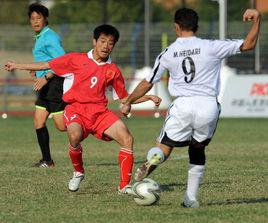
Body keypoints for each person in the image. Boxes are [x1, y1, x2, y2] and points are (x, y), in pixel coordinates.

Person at [121, 8, 261, 207]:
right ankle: (191, 198)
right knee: (197, 149)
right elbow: (249, 44)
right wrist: (257, 19)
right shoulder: (211, 46)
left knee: (164, 146)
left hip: (183, 104)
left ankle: (153, 159)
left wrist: (128, 101)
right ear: (197, 26)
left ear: (176, 27)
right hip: (208, 105)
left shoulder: (168, 53)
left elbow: (148, 82)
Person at [5, 24, 162, 194]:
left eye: (110, 43)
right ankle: (78, 172)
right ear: (94, 41)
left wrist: (148, 97)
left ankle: (124, 186)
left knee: (127, 138)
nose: (105, 46)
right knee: (74, 135)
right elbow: (45, 65)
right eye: (102, 41)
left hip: (100, 113)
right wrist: (17, 65)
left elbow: (124, 98)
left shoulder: (112, 70)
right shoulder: (75, 59)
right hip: (76, 110)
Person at [28, 3, 66, 167]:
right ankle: (47, 161)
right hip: (44, 86)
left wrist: (47, 77)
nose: (35, 21)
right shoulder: (40, 37)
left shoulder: (49, 36)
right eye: (32, 18)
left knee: (62, 126)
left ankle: (88, 123)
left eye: (39, 18)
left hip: (54, 84)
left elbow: (62, 62)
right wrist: (36, 72)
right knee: (38, 121)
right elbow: (46, 60)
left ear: (45, 19)